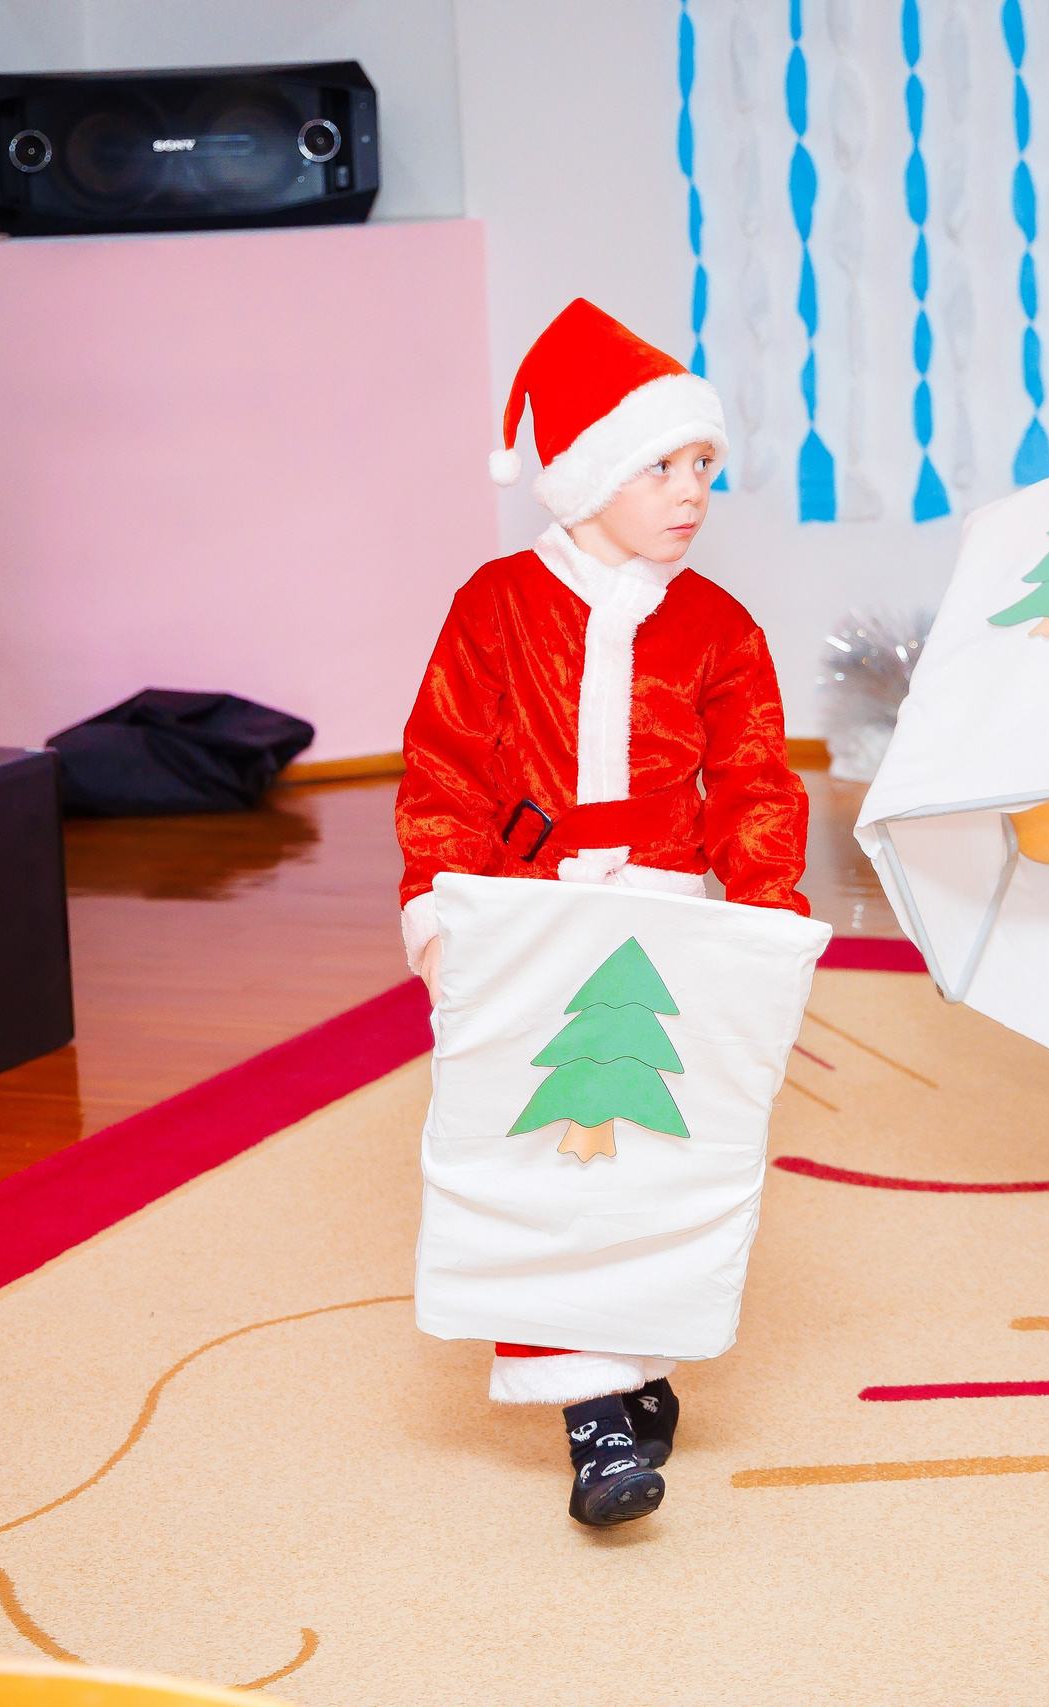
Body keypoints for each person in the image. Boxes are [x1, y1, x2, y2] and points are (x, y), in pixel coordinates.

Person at [394, 299, 809, 1527]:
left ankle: (641, 1352)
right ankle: (592, 1417)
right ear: (581, 475)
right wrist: (438, 902)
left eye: (702, 466)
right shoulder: (496, 605)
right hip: (524, 917)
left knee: (659, 1144)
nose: (690, 491)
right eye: (662, 466)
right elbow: (445, 763)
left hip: (667, 912)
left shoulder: (721, 626)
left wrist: (767, 908)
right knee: (539, 1145)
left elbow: (751, 780)